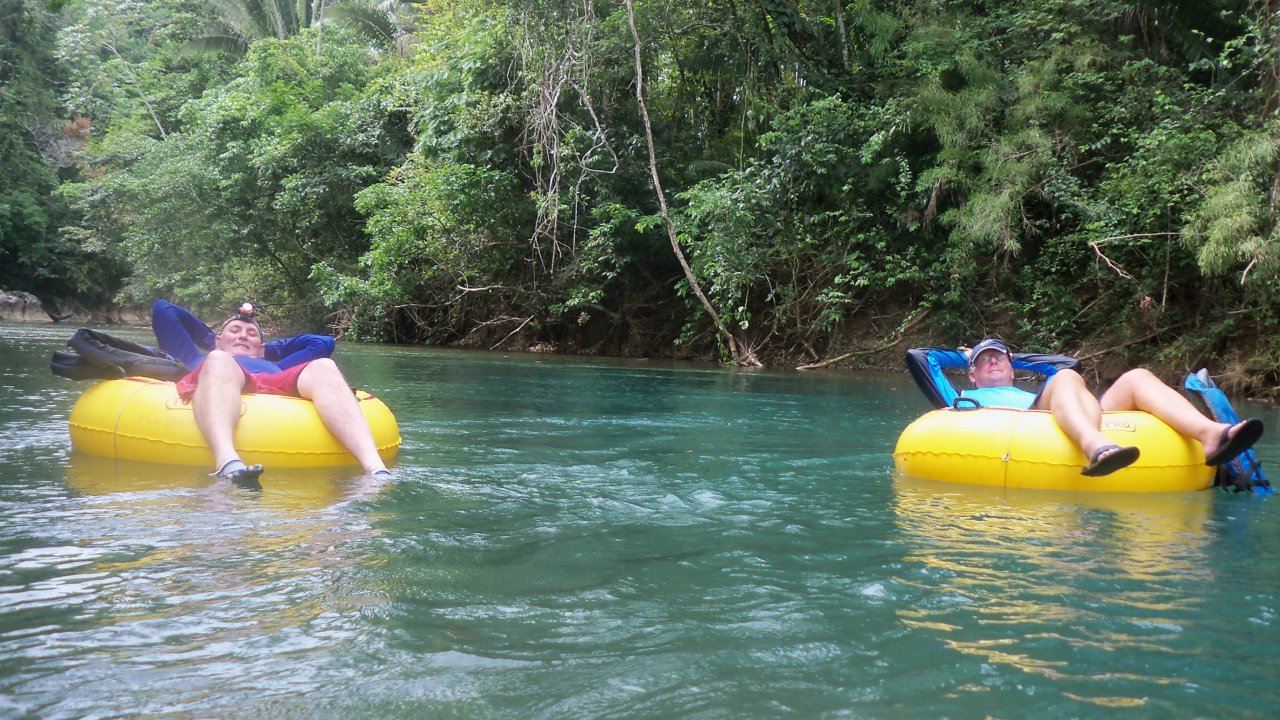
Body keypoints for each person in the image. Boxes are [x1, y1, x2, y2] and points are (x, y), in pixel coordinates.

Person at [152, 300, 392, 481]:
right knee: (219, 360)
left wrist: (262, 350)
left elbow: (323, 343)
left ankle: (376, 471)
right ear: (216, 339)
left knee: (325, 366)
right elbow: (163, 309)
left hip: (269, 383)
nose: (243, 335)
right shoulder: (193, 357)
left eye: (251, 334)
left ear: (262, 348)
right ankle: (227, 463)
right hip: (219, 374)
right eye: (234, 331)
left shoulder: (275, 366)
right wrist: (219, 344)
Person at [963, 338, 1264, 477]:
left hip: (1066, 409)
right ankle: (1094, 445)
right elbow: (919, 357)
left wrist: (1017, 355)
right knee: (1066, 377)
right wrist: (959, 354)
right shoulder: (961, 395)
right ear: (972, 373)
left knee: (1136, 377)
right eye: (983, 359)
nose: (992, 361)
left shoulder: (1031, 387)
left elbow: (1067, 364)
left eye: (999, 357)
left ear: (1013, 369)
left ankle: (1211, 435)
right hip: (1025, 426)